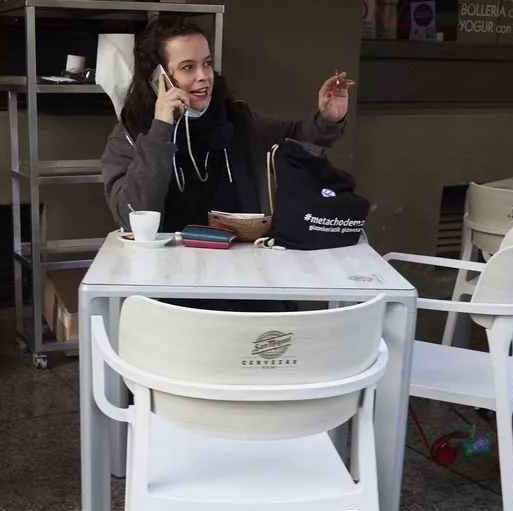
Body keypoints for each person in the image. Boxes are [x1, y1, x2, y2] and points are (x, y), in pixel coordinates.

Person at [100, 15, 356, 313]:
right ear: (159, 78)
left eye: (207, 63)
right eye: (187, 67)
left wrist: (328, 118)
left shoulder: (239, 119)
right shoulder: (130, 136)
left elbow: (296, 139)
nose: (203, 76)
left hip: (246, 282)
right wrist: (161, 130)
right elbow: (131, 215)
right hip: (169, 291)